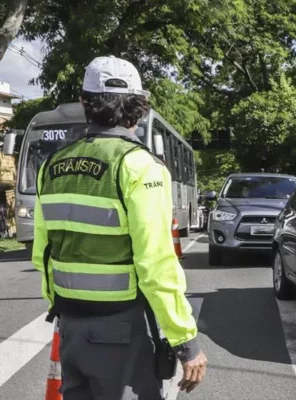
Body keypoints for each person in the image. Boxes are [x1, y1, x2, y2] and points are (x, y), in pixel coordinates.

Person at [31, 55, 207, 399]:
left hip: (70, 327)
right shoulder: (140, 166)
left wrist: (66, 309)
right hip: (122, 332)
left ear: (84, 103)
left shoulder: (51, 166)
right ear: (139, 109)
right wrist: (186, 341)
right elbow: (155, 264)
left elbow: (43, 253)